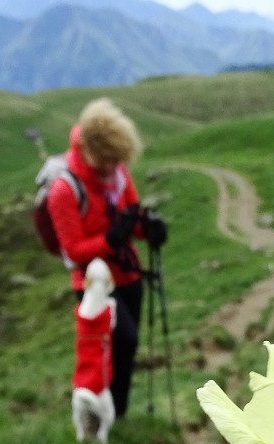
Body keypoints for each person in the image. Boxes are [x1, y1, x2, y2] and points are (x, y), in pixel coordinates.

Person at [47, 98, 166, 420]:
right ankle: (101, 415)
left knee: (127, 348)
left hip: (128, 277)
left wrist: (148, 229)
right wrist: (110, 240)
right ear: (90, 149)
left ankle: (118, 416)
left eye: (118, 161)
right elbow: (73, 251)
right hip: (93, 284)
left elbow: (132, 218)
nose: (113, 168)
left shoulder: (119, 175)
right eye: (108, 161)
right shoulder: (64, 190)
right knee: (118, 343)